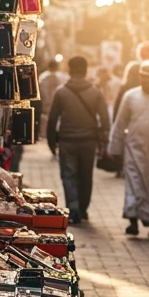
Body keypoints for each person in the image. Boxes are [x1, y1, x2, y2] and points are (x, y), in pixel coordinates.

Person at [108, 60, 149, 238]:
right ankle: (133, 220)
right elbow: (120, 123)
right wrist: (115, 148)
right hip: (134, 149)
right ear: (140, 77)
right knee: (135, 184)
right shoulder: (130, 96)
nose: (147, 82)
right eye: (144, 78)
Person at [46, 56, 109, 225]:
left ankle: (73, 209)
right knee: (86, 175)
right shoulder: (96, 92)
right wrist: (105, 136)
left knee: (69, 175)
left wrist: (52, 142)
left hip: (67, 140)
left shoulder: (61, 92)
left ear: (69, 70)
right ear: (86, 70)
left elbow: (52, 119)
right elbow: (104, 117)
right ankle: (83, 209)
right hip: (89, 141)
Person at [37, 55, 67, 138]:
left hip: (46, 103)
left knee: (46, 120)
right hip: (54, 103)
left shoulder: (43, 76)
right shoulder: (59, 76)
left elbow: (42, 91)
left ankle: (45, 135)